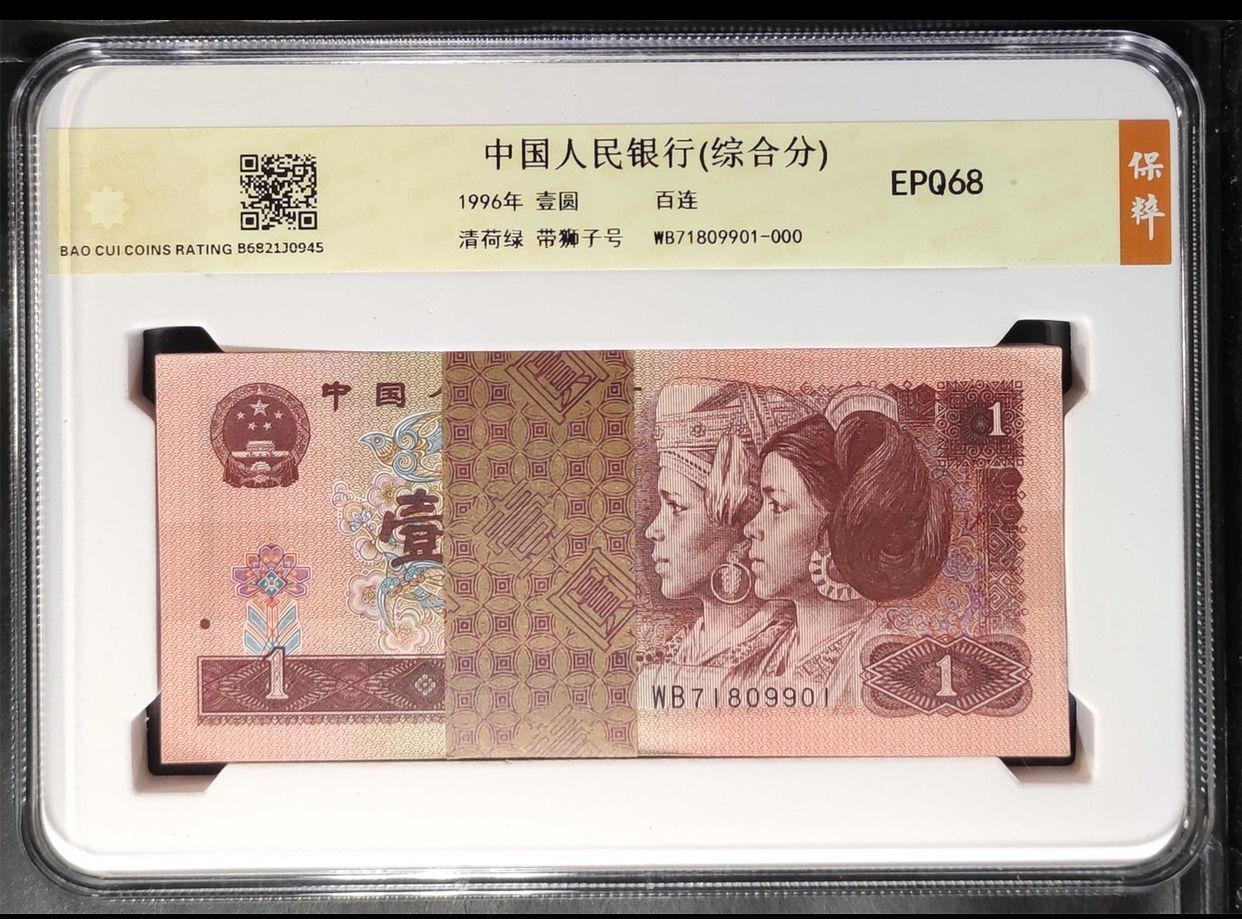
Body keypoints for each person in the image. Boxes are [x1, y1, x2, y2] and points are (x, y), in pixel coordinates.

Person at [741, 385, 952, 707]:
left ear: (837, 530)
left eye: (777, 507)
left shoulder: (886, 668)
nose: (750, 528)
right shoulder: (759, 655)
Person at [642, 379, 812, 690]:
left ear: (743, 524)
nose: (652, 530)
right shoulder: (674, 653)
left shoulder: (797, 658)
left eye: (676, 507)